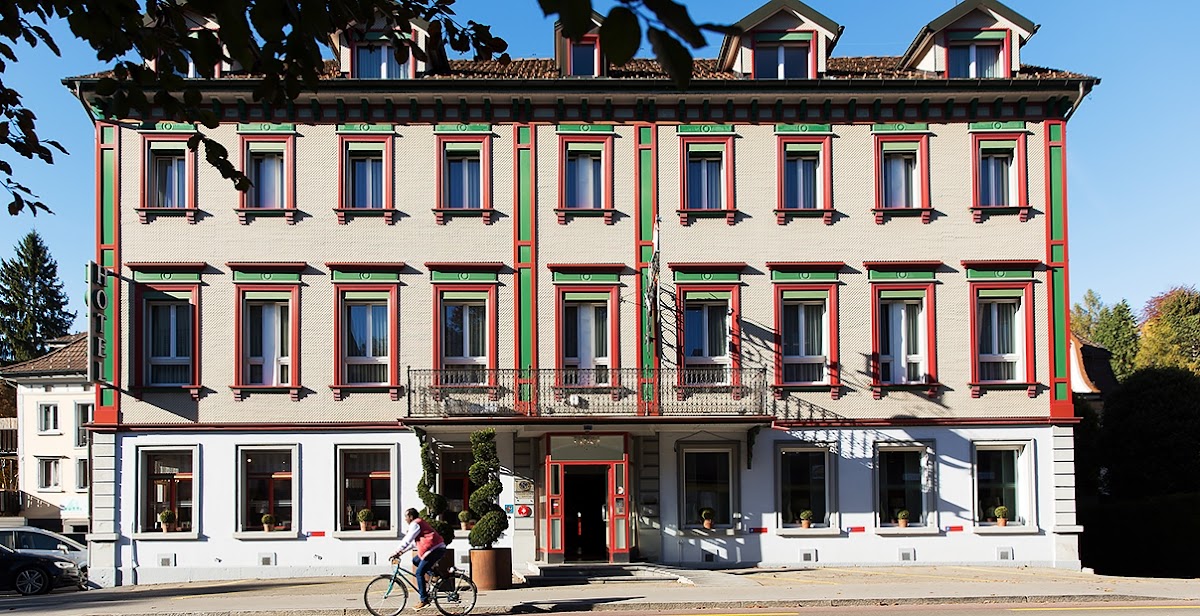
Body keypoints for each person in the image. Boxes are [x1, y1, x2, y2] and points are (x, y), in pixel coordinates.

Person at [389, 508, 446, 611]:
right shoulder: (418, 523)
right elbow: (413, 543)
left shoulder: (415, 524)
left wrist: (396, 551)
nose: (405, 519)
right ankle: (434, 575)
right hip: (433, 549)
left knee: (419, 573)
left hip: (435, 549)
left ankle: (424, 600)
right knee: (415, 560)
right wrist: (401, 553)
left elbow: (407, 539)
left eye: (406, 517)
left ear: (411, 517)